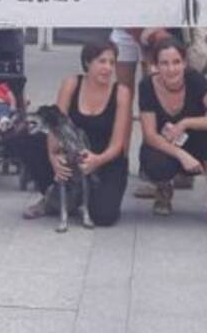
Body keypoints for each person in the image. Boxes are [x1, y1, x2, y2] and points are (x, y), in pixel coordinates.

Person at [20, 40, 131, 226]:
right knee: (26, 139)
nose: (108, 68)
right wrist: (53, 157)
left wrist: (97, 160)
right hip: (71, 152)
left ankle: (76, 199)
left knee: (104, 217)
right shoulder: (72, 84)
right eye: (102, 61)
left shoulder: (121, 92)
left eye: (112, 63)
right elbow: (56, 124)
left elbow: (117, 144)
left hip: (105, 159)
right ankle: (52, 196)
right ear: (88, 62)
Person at [137, 37, 207, 216]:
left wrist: (185, 123)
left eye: (176, 62)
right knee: (154, 160)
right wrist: (182, 156)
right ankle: (163, 188)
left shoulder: (196, 80)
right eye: (164, 63)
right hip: (164, 145)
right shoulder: (147, 86)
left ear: (184, 63)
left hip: (196, 140)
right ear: (155, 66)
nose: (171, 69)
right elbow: (150, 135)